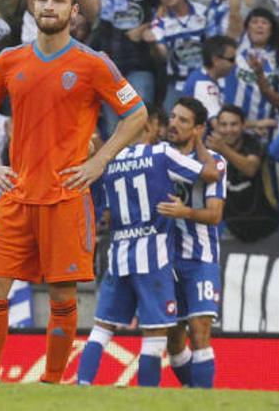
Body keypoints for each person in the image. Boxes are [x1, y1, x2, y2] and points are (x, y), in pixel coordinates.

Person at [0, 0, 147, 383]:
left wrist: (98, 162)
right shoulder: (8, 60)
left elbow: (136, 114)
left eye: (57, 0)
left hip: (66, 195)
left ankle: (53, 385)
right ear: (34, 6)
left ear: (73, 10)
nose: (47, 6)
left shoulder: (93, 63)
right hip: (17, 195)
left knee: (62, 296)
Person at [76, 104, 220, 387]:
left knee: (102, 328)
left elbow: (100, 209)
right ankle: (147, 397)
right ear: (151, 125)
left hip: (118, 253)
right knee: (155, 335)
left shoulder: (109, 160)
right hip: (154, 256)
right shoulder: (161, 154)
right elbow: (210, 174)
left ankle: (81, 385)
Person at [152, 97, 228, 389]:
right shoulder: (160, 156)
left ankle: (202, 399)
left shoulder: (214, 162)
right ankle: (194, 392)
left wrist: (185, 212)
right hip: (165, 260)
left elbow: (215, 214)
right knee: (173, 341)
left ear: (198, 128)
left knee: (199, 332)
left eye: (183, 120)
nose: (173, 124)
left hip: (200, 259)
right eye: (172, 117)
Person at [82, 0, 156, 133]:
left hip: (139, 66)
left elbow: (164, 8)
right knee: (115, 128)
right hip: (110, 70)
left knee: (139, 122)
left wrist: (147, 27)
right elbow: (92, 15)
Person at [208, 104, 279, 242]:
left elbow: (250, 168)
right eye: (223, 125)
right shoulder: (211, 151)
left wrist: (223, 149)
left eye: (234, 124)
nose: (229, 130)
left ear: (243, 125)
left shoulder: (254, 143)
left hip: (265, 223)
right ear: (217, 127)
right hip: (232, 226)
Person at [143, 0, 207, 113]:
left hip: (205, 79)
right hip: (177, 84)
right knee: (171, 126)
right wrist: (152, 44)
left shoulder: (203, 12)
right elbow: (162, 56)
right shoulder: (159, 23)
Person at [182, 36, 239, 119]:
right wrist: (258, 124)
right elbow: (218, 123)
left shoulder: (205, 76)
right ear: (215, 60)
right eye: (231, 60)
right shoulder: (203, 84)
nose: (235, 64)